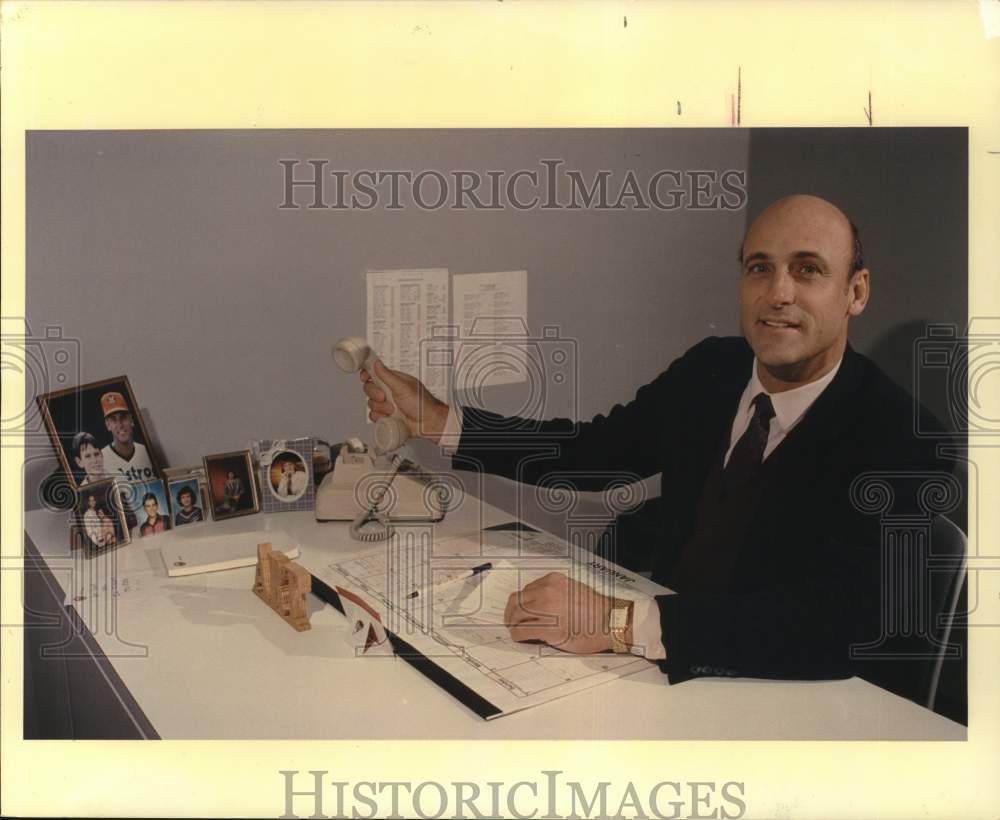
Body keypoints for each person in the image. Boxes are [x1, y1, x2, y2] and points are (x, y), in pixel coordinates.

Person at [358, 194, 954, 691]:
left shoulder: (902, 437)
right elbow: (593, 455)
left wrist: (619, 621)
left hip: (785, 694)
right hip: (657, 663)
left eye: (808, 269)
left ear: (856, 291)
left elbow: (837, 626)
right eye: (759, 268)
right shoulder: (713, 368)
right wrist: (437, 421)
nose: (778, 293)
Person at [99, 391, 156, 482]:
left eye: (123, 417)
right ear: (108, 425)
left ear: (131, 419)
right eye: (114, 419)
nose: (120, 424)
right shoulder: (100, 459)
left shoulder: (145, 450)